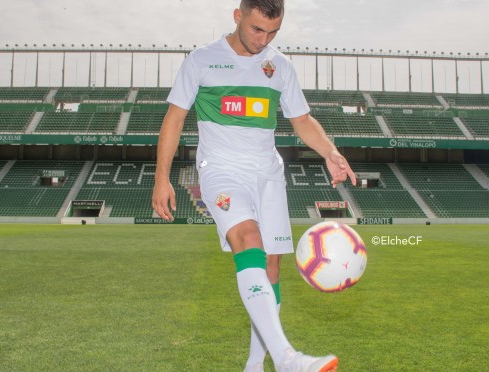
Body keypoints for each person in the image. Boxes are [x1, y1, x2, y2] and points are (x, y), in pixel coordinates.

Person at [152, 1, 356, 371]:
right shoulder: (200, 60)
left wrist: (330, 151)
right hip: (221, 171)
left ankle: (253, 365)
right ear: (238, 16)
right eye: (257, 30)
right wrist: (161, 177)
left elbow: (302, 119)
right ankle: (287, 359)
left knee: (272, 268)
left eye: (273, 32)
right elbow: (174, 119)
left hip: (268, 174)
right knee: (248, 240)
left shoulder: (280, 66)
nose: (264, 40)